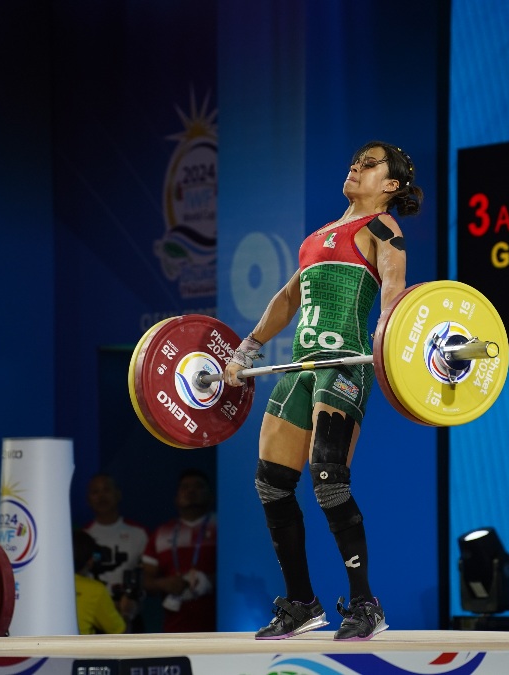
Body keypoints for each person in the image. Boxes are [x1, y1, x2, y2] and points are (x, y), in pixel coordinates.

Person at [222, 141, 421, 641]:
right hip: (302, 365)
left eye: (370, 165)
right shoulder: (318, 237)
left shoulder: (382, 228)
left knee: (328, 477)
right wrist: (247, 348)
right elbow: (289, 297)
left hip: (345, 362)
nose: (357, 166)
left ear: (390, 186)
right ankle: (301, 603)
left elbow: (395, 291)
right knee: (271, 482)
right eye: (355, 161)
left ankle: (365, 603)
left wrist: (391, 341)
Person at [141, 468, 218, 632]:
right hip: (174, 628)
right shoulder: (162, 533)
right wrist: (164, 584)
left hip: (221, 627)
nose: (191, 491)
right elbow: (146, 580)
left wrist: (208, 580)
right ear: (176, 498)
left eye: (198, 486)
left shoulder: (223, 527)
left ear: (211, 496)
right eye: (185, 487)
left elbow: (242, 572)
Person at [82, 473, 148, 630]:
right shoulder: (83, 537)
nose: (101, 496)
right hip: (93, 617)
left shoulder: (138, 533)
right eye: (95, 492)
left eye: (106, 490)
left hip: (130, 614)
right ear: (88, 498)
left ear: (118, 494)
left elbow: (148, 577)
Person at [72, 528, 128, 635]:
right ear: (90, 560)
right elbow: (120, 634)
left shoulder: (36, 586)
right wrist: (127, 613)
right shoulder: (94, 590)